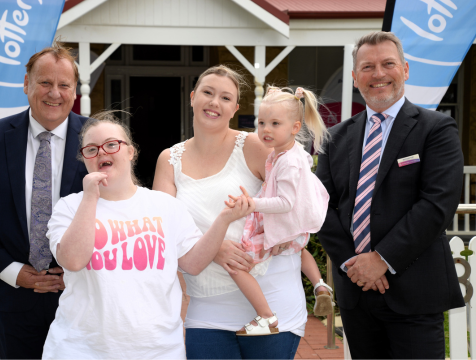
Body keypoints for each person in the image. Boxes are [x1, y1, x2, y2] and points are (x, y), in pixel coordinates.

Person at [41, 111, 253, 359]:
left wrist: (224, 219)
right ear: (84, 159)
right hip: (80, 349)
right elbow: (73, 260)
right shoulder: (68, 207)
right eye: (91, 149)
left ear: (130, 152)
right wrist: (90, 196)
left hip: (157, 350)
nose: (102, 152)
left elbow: (193, 264)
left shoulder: (165, 205)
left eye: (111, 144)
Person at [153, 65, 328, 359]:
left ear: (235, 108)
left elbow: (303, 195)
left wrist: (292, 232)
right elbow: (163, 230)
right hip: (207, 308)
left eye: (225, 97)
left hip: (274, 301)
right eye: (207, 93)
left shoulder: (256, 145)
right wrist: (213, 248)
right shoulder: (169, 159)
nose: (214, 102)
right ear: (193, 97)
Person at [315, 31, 464, 359]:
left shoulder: (436, 129)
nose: (378, 74)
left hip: (415, 292)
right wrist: (356, 266)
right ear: (355, 78)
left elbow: (437, 204)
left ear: (406, 70)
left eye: (388, 64)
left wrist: (381, 259)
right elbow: (319, 207)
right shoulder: (335, 138)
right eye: (367, 67)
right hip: (356, 293)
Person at [0, 42, 88, 359]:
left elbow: (117, 213)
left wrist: (74, 272)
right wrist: (11, 271)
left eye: (63, 85)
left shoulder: (96, 138)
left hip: (81, 296)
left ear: (74, 91)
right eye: (45, 82)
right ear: (27, 83)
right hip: (14, 298)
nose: (54, 93)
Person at [226, 86, 333, 336]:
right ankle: (319, 285)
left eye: (275, 123)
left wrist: (252, 203)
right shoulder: (290, 153)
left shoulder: (287, 161)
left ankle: (266, 317)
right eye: (261, 122)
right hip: (295, 225)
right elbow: (304, 166)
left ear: (295, 127)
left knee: (236, 265)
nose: (265, 129)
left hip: (287, 221)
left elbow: (285, 202)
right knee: (300, 247)